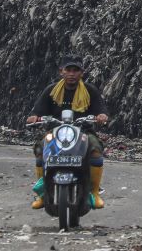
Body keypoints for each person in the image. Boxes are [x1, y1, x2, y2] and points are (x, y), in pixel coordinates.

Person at [27, 56, 109, 209]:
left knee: (96, 151)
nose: (72, 74)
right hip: (55, 131)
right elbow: (37, 110)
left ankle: (95, 192)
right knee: (40, 150)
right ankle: (42, 194)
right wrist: (33, 117)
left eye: (75, 70)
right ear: (61, 72)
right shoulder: (51, 90)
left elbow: (101, 110)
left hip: (83, 131)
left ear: (82, 73)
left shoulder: (90, 90)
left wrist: (101, 116)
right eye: (68, 70)